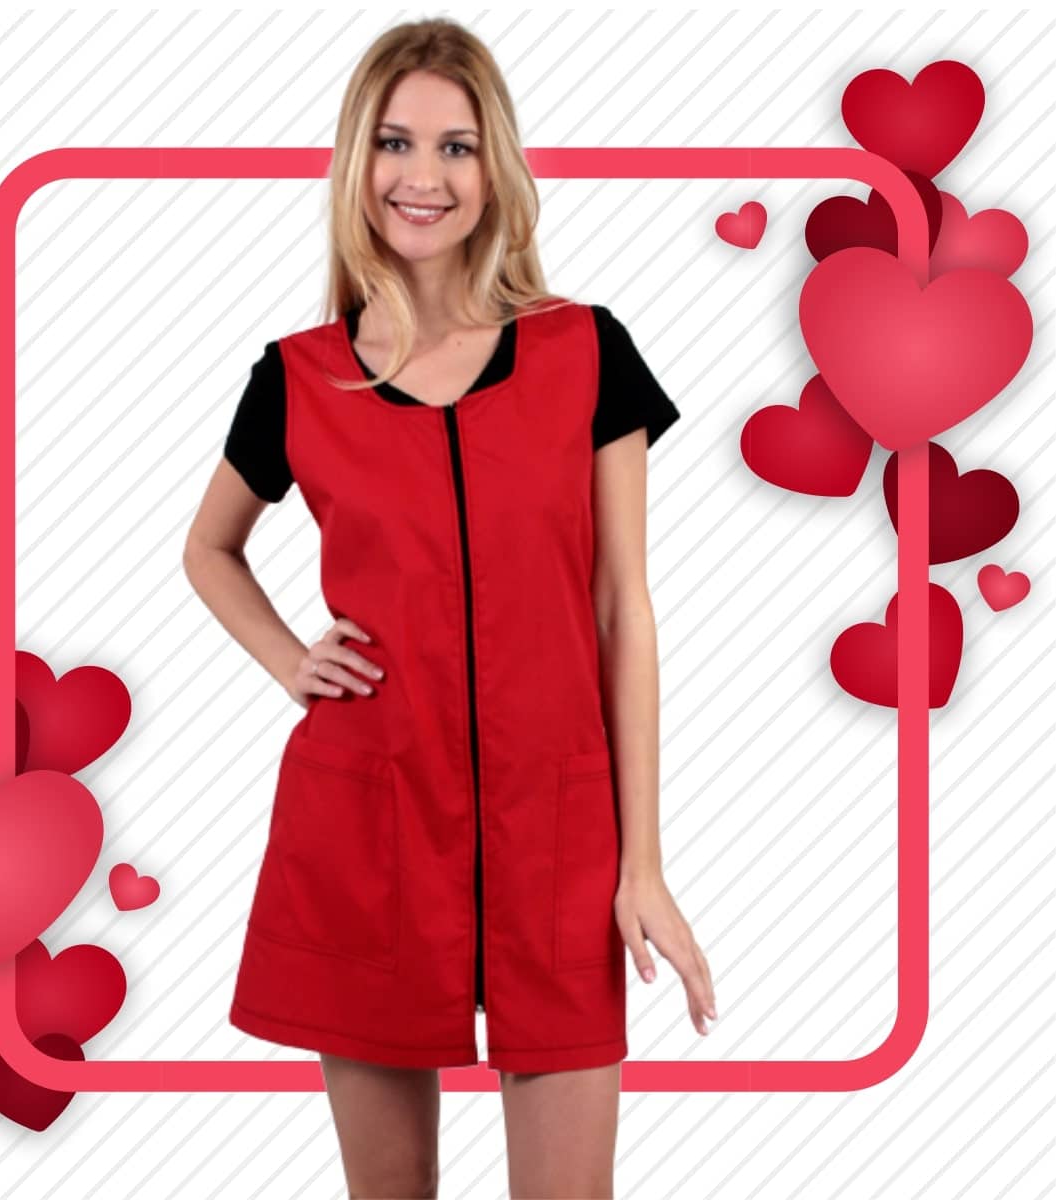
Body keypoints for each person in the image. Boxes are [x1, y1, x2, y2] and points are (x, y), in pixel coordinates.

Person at [184, 17, 716, 1200]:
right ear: (356, 162)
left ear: (496, 167)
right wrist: (289, 660)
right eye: (394, 142)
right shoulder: (297, 376)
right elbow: (209, 549)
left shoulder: (586, 352)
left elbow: (623, 610)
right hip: (364, 826)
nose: (422, 176)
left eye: (456, 146)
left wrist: (641, 863)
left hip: (558, 834)